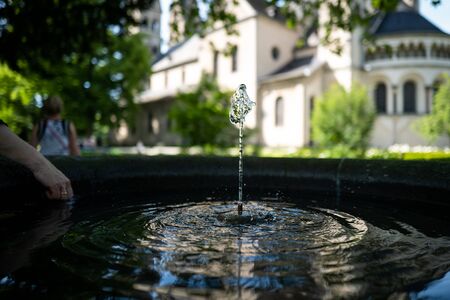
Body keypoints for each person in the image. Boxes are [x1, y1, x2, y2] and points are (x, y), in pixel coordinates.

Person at [0, 119, 73, 200]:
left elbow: (32, 146)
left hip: (52, 172)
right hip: (50, 173)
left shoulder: (40, 124)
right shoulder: (66, 124)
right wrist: (41, 165)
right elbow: (75, 150)